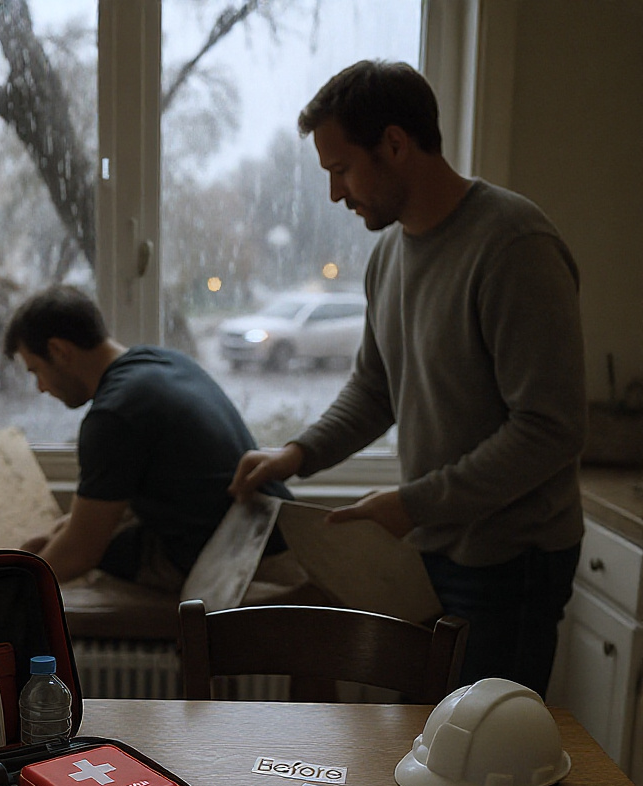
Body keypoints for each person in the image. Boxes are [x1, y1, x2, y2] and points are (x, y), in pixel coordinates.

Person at [230, 60, 586, 696]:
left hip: (513, 560)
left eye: (341, 169)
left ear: (395, 144)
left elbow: (549, 429)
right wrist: (296, 454)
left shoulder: (513, 245)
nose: (336, 193)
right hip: (437, 548)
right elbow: (375, 389)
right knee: (429, 747)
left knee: (485, 762)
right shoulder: (389, 254)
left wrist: (411, 503)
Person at [4, 285, 291, 589]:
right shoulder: (164, 362)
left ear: (60, 351)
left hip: (237, 561)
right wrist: (58, 535)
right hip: (273, 533)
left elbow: (81, 553)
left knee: (83, 565)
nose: (40, 387)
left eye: (36, 370)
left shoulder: (114, 415)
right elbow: (107, 502)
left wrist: (14, 589)